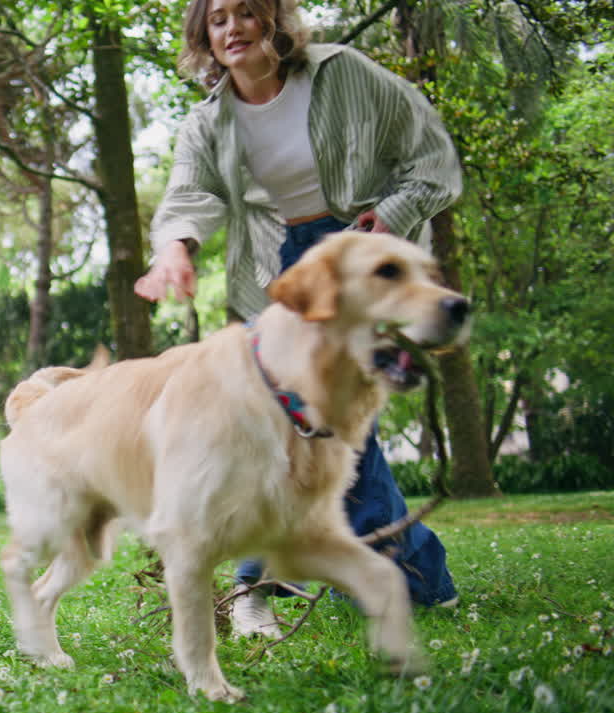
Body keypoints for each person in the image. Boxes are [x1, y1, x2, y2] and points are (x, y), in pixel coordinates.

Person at [135, 0, 460, 637]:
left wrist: (390, 217)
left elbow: (430, 156)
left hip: (361, 258)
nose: (233, 29)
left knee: (329, 429)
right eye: (218, 19)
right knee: (278, 423)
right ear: (205, 37)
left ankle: (377, 580)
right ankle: (296, 581)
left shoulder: (343, 72)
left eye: (245, 12)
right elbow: (189, 193)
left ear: (273, 20)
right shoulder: (210, 120)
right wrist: (173, 250)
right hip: (279, 268)